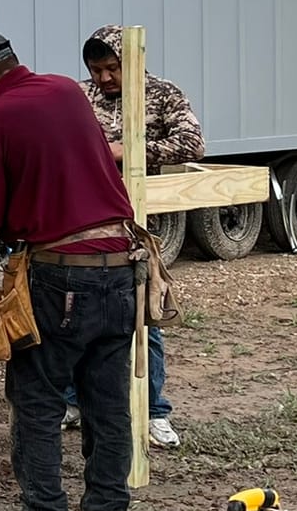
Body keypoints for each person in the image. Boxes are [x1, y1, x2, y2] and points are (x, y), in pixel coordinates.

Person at [0, 32, 138, 511]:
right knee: (109, 405)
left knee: (37, 402)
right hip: (120, 264)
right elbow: (45, 141)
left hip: (60, 273)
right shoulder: (66, 91)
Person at [67, 25, 206, 449]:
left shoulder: (161, 95)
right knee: (80, 315)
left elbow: (193, 142)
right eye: (96, 70)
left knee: (144, 314)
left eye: (112, 68)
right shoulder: (78, 96)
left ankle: (152, 410)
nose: (104, 79)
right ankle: (76, 401)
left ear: (132, 64)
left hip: (136, 227)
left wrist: (129, 148)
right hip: (85, 223)